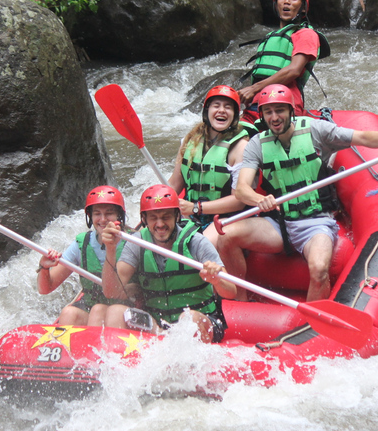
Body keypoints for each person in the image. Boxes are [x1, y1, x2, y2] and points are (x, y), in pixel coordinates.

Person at [217, 84, 378, 302]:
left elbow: (361, 138)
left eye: (280, 110)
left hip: (316, 221)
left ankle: (310, 328)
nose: (274, 117)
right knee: (226, 237)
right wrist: (259, 198)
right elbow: (241, 189)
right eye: (268, 112)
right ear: (262, 115)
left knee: (318, 270)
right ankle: (240, 300)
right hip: (278, 223)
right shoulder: (257, 144)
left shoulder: (316, 130)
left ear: (291, 111)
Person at [100, 184, 237, 343]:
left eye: (166, 217)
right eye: (153, 217)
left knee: (189, 318)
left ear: (176, 217)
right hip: (158, 326)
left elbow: (231, 291)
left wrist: (216, 280)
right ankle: (126, 364)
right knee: (115, 312)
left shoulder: (196, 242)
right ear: (144, 219)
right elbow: (111, 293)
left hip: (203, 322)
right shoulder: (136, 243)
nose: (160, 224)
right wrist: (110, 250)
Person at [167, 85, 255, 247]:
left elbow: (238, 201)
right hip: (191, 216)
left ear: (235, 115)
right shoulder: (190, 140)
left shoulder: (241, 147)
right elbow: (175, 183)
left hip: (226, 217)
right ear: (206, 111)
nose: (221, 110)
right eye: (216, 105)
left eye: (228, 107)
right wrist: (156, 207)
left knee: (201, 245)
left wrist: (195, 208)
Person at [37, 186, 134, 326]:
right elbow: (46, 288)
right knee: (68, 313)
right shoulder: (82, 243)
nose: (103, 219)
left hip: (125, 313)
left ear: (120, 215)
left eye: (109, 213)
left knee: (98, 311)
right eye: (97, 214)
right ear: (90, 216)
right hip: (93, 308)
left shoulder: (134, 242)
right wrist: (44, 267)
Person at [238, 0, 328, 122]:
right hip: (259, 103)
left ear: (303, 8)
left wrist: (254, 88)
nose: (287, 1)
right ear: (276, 4)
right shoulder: (271, 37)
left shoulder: (306, 34)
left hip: (285, 104)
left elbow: (294, 70)